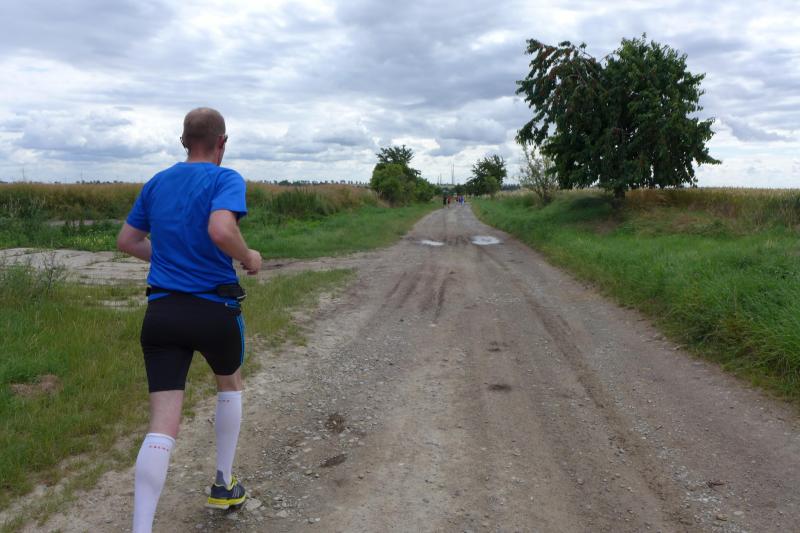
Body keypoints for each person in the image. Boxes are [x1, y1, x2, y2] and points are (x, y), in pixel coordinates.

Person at [117, 107, 262, 533]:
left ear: (183, 141)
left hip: (162, 313)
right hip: (214, 310)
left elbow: (128, 240)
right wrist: (248, 256)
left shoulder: (157, 182)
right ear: (222, 142)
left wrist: (166, 257)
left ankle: (141, 528)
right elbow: (221, 230)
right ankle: (223, 483)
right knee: (229, 385)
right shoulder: (225, 178)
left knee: (162, 424)